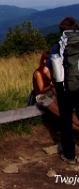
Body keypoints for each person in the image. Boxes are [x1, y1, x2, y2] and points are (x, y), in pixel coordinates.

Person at [46, 16, 79, 165]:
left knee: (66, 120)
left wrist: (54, 82)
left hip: (65, 88)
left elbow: (47, 71)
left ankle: (70, 155)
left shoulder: (58, 46)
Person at [34, 51, 79, 131]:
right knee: (63, 114)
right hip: (42, 95)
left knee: (67, 110)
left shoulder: (51, 70)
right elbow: (41, 90)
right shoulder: (38, 73)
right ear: (44, 60)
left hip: (51, 92)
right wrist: (51, 86)